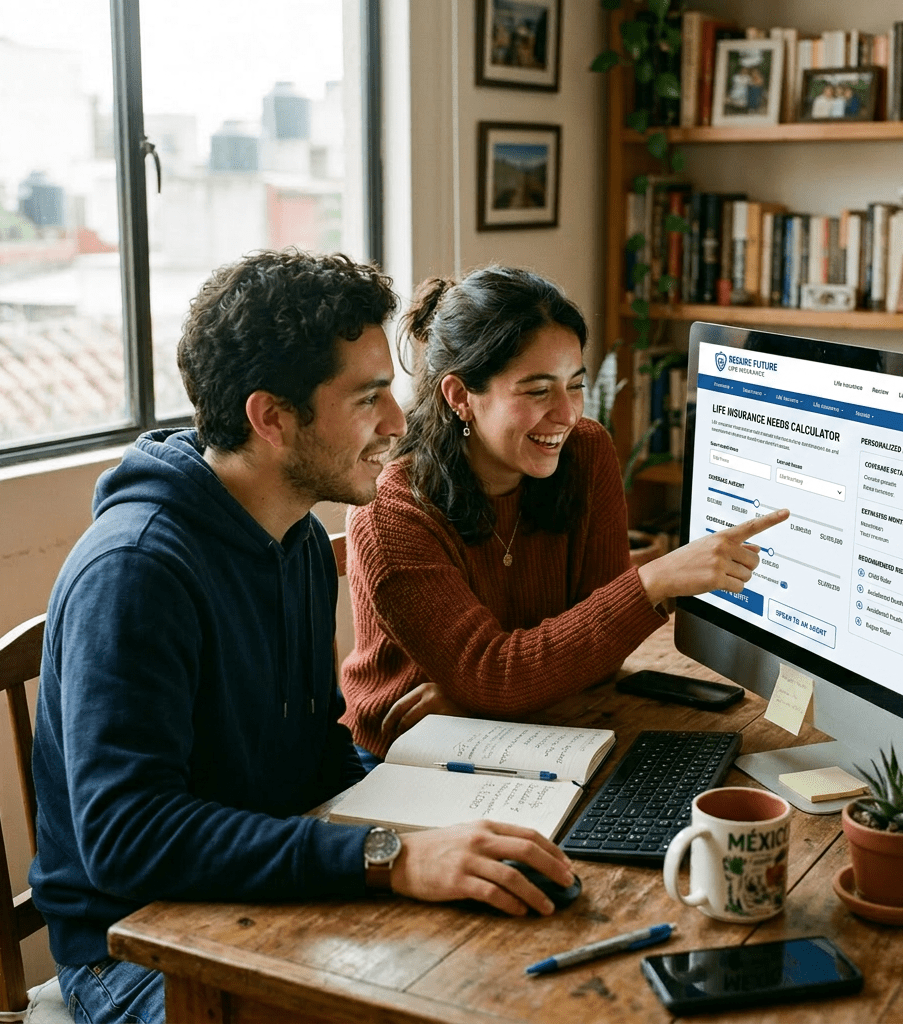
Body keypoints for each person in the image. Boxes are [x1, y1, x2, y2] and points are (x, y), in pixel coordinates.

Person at [29, 251, 577, 1024]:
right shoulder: (137, 573)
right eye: (368, 397)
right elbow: (130, 837)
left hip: (257, 896)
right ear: (272, 418)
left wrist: (452, 795)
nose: (396, 421)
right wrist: (394, 855)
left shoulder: (291, 539)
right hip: (132, 952)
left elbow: (314, 764)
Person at [340, 266, 787, 763]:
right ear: (460, 396)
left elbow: (595, 662)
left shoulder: (585, 452)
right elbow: (495, 675)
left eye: (574, 384)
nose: (568, 414)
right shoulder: (392, 513)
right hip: (403, 756)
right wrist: (652, 581)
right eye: (537, 390)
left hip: (542, 724)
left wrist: (482, 698)